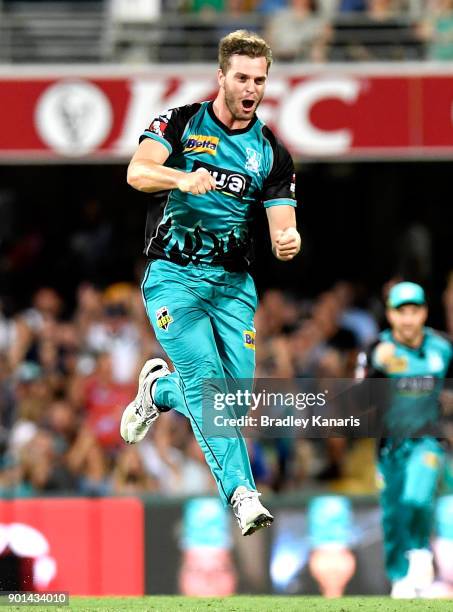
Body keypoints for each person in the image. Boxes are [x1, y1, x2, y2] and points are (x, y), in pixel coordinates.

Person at [120, 30, 301, 536]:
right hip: (173, 277)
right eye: (241, 77)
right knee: (206, 385)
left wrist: (289, 241)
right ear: (221, 76)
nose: (251, 88)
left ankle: (157, 391)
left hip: (233, 287)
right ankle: (242, 494)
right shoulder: (180, 122)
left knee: (234, 399)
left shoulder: (271, 153)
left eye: (259, 80)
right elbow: (138, 172)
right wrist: (181, 178)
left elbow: (282, 222)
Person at [358, 282, 453, 597]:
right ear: (390, 315)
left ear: (425, 312)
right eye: (401, 312)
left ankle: (421, 553)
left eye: (415, 311)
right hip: (389, 448)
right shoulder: (376, 349)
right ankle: (400, 578)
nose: (409, 319)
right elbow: (356, 400)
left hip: (428, 442)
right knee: (394, 513)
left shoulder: (443, 347)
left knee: (417, 494)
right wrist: (375, 366)